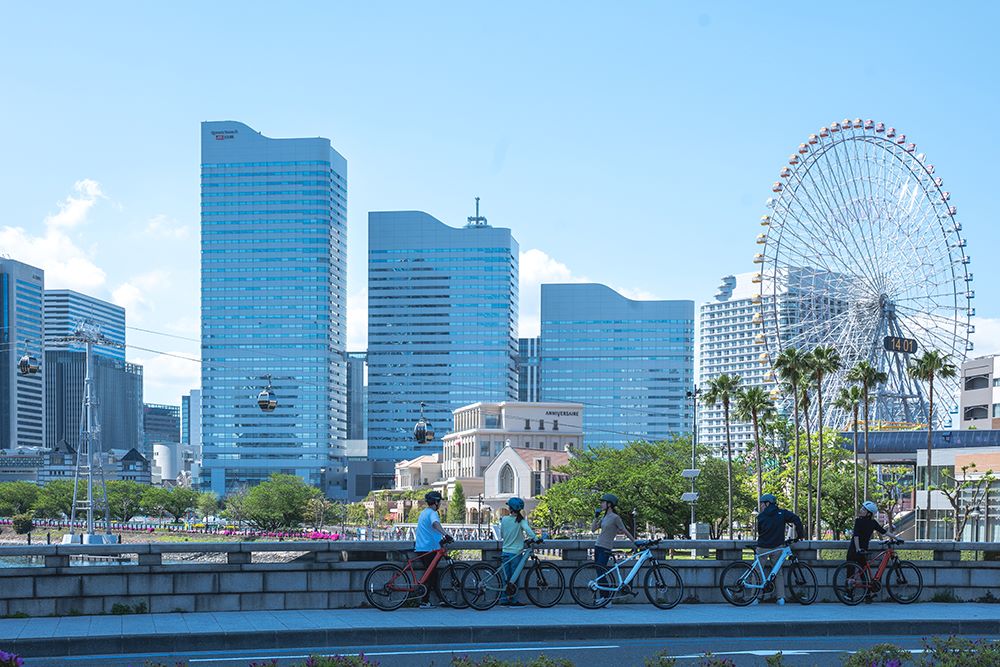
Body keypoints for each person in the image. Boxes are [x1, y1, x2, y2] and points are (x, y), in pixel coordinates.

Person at [755, 493, 804, 606]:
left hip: (762, 547)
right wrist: (800, 535)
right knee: (778, 572)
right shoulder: (782, 513)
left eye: (762, 504)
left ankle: (755, 597)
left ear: (767, 503)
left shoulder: (761, 516)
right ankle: (781, 598)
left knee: (757, 572)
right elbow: (796, 519)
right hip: (777, 547)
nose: (761, 506)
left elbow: (760, 531)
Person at [414, 490, 452, 608]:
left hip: (421, 547)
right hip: (430, 548)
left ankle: (440, 600)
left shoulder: (424, 512)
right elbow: (435, 524)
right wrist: (445, 534)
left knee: (432, 574)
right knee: (432, 575)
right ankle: (424, 601)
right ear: (435, 502)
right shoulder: (432, 513)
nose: (440, 504)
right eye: (439, 502)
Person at [498, 497, 537, 606]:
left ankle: (503, 599)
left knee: (505, 577)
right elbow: (528, 531)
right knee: (515, 578)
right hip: (516, 553)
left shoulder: (504, 519)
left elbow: (502, 535)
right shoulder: (521, 521)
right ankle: (513, 600)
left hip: (505, 551)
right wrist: (535, 538)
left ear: (510, 509)